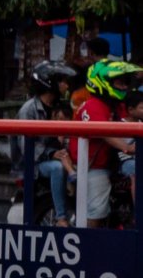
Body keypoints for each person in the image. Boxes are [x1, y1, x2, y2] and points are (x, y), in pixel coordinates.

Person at [73, 60, 139, 225]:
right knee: (98, 209)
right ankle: (89, 243)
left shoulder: (117, 105)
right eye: (119, 82)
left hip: (112, 162)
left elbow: (129, 122)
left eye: (125, 82)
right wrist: (127, 147)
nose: (124, 87)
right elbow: (103, 132)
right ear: (103, 82)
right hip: (92, 166)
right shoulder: (93, 105)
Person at [17, 64, 77, 225]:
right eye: (62, 81)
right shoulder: (29, 110)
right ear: (50, 83)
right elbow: (25, 147)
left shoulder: (58, 106)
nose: (66, 85)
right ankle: (61, 217)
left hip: (55, 155)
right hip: (33, 164)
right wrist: (50, 154)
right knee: (57, 168)